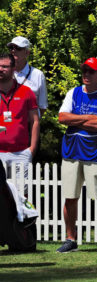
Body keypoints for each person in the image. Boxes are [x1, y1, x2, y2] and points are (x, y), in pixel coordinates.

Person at [57, 57, 97, 254]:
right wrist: (88, 118)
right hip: (72, 149)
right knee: (70, 196)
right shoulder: (73, 92)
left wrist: (75, 120)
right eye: (84, 71)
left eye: (91, 71)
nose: (86, 75)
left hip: (96, 150)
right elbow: (62, 117)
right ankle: (70, 239)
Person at [0, 53, 39, 190]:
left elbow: (35, 121)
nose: (0, 69)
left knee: (22, 198)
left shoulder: (27, 92)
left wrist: (32, 149)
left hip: (21, 153)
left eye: (4, 66)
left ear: (13, 68)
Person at [7, 36, 48, 117]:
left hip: (28, 125)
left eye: (18, 48)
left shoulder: (38, 75)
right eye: (11, 48)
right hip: (5, 124)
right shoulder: (3, 72)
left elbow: (42, 106)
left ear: (27, 53)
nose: (13, 50)